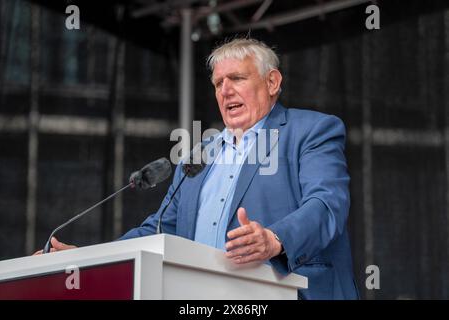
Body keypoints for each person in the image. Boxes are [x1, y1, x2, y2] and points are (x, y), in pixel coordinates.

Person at [38, 38, 358, 300]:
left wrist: (276, 239)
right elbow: (162, 228)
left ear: (272, 81)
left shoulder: (312, 130)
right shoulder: (198, 155)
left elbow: (328, 204)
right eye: (218, 83)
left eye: (237, 78)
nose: (225, 91)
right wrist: (88, 260)